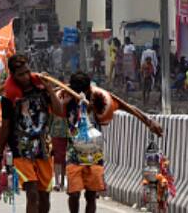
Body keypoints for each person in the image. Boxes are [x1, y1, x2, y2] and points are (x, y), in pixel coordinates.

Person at [62, 71, 163, 213]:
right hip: (73, 154)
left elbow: (126, 106)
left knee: (91, 195)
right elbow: (55, 108)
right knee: (73, 194)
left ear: (87, 89)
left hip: (94, 155)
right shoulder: (66, 98)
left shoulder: (100, 98)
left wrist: (149, 122)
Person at [0, 55, 65, 213]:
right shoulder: (8, 97)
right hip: (21, 150)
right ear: (13, 75)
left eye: (27, 72)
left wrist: (48, 88)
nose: (26, 77)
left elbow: (59, 111)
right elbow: (5, 127)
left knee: (44, 196)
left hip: (43, 149)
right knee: (32, 193)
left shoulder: (41, 88)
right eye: (21, 74)